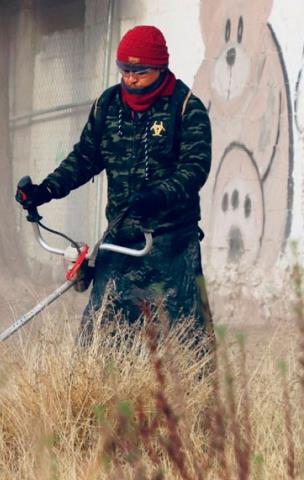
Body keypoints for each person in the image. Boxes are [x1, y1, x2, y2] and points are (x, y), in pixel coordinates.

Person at [16, 25, 214, 349]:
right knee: (98, 342)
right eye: (125, 70)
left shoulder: (186, 108)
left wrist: (158, 197)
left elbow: (195, 169)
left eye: (140, 71)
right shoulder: (108, 105)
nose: (131, 79)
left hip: (172, 245)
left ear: (160, 68)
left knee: (184, 346)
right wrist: (47, 190)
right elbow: (84, 158)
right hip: (120, 243)